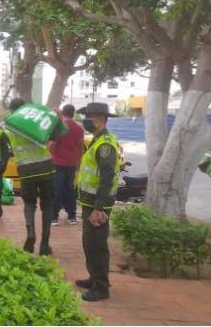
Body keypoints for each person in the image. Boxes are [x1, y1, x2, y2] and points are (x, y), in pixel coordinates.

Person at [5, 98, 65, 255]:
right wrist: (58, 120)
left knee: (30, 204)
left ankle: (30, 233)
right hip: (45, 167)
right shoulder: (36, 121)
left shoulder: (10, 126)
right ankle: (45, 245)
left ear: (12, 110)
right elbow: (55, 136)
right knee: (47, 206)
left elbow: (10, 150)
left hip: (26, 170)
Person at [74, 102, 121, 302]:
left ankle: (101, 287)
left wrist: (99, 207)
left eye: (90, 116)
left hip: (98, 203)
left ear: (100, 118)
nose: (86, 120)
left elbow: (107, 177)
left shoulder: (105, 145)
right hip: (89, 201)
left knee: (97, 244)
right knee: (89, 242)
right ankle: (94, 278)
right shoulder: (97, 139)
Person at [48, 103, 85, 225]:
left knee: (56, 190)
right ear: (73, 113)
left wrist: (49, 153)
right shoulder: (79, 128)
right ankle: (72, 216)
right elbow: (81, 147)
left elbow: (53, 144)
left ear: (63, 112)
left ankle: (53, 217)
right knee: (69, 190)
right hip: (72, 164)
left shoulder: (59, 127)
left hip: (58, 163)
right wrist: (78, 163)